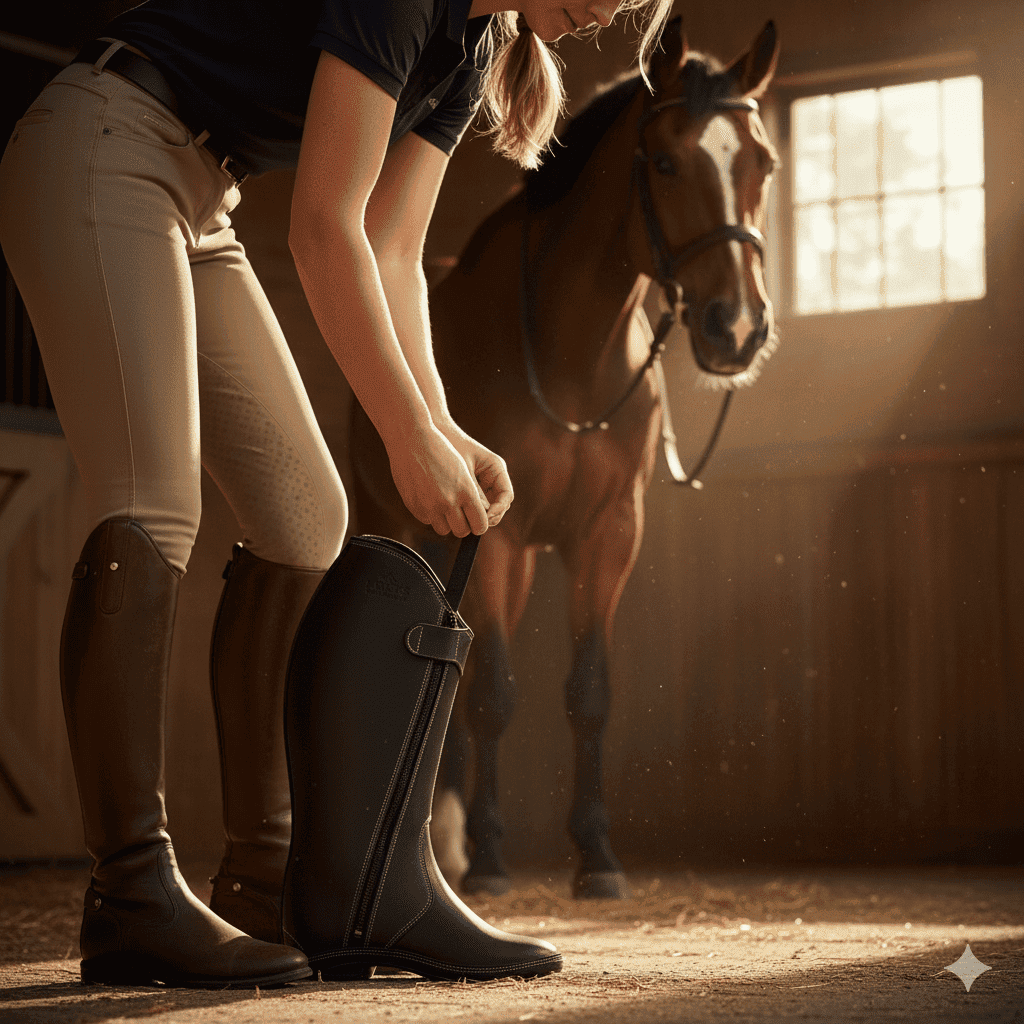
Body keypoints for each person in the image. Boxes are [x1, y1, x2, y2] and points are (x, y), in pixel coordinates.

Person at [0, 0, 671, 989]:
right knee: (154, 498)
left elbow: (393, 248)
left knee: (306, 517)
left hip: (199, 199)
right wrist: (405, 439)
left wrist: (439, 428)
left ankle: (260, 878)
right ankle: (131, 888)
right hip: (103, 142)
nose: (613, 8)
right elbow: (323, 228)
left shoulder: (476, 43)